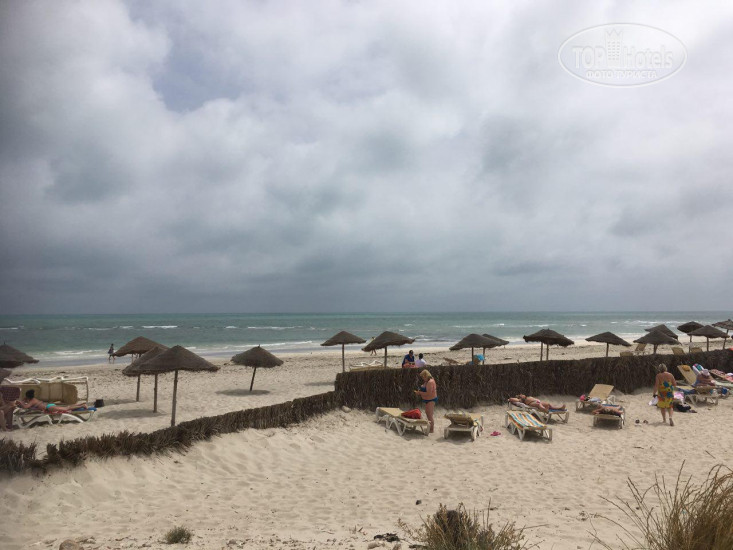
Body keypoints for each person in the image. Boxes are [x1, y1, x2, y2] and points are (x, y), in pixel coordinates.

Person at [15, 389, 89, 414]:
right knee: (67, 407)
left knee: (67, 408)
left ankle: (82, 405)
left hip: (49, 408)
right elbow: (25, 402)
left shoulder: (32, 401)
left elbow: (25, 407)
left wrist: (20, 402)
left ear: (27, 396)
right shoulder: (33, 399)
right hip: (49, 405)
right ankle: (81, 404)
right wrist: (22, 400)